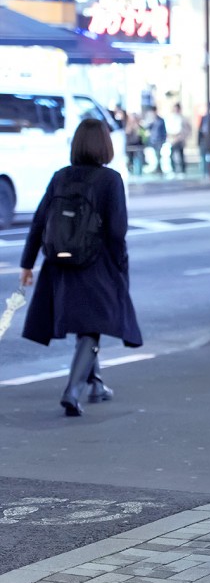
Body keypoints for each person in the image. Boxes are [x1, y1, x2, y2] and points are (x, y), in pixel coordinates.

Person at [19, 119, 142, 416]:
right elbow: (117, 231)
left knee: (87, 322)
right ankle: (72, 391)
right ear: (105, 146)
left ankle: (96, 383)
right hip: (96, 264)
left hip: (60, 264)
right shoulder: (110, 180)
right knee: (92, 327)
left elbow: (39, 222)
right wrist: (120, 266)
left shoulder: (61, 177)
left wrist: (27, 264)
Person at [166, 103, 191, 176]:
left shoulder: (183, 118)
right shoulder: (171, 118)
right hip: (172, 139)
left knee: (181, 155)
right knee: (172, 155)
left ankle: (182, 170)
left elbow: (188, 129)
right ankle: (173, 170)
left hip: (180, 139)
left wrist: (183, 136)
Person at [146, 106, 166, 175]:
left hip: (159, 140)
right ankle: (156, 168)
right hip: (152, 140)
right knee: (154, 155)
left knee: (158, 155)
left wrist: (164, 139)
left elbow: (164, 130)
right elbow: (147, 128)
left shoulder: (160, 120)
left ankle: (159, 169)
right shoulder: (151, 120)